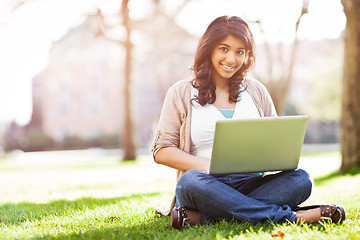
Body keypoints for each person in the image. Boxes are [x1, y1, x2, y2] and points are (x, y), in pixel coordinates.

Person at [151, 16, 345, 229]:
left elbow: (275, 142)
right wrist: (207, 166)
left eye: (240, 51)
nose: (231, 59)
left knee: (302, 179)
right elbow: (162, 150)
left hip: (251, 183)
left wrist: (274, 156)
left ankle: (204, 217)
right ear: (209, 49)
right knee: (189, 181)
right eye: (224, 49)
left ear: (247, 55)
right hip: (205, 185)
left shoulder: (256, 91)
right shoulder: (181, 92)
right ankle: (293, 217)